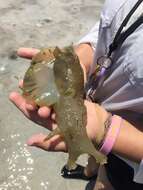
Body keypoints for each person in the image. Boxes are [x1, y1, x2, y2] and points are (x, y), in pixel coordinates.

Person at [9, 0, 143, 189]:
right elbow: (112, 26)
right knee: (94, 154)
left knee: (109, 177)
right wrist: (82, 58)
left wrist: (108, 133)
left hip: (129, 154)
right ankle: (90, 171)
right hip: (94, 100)